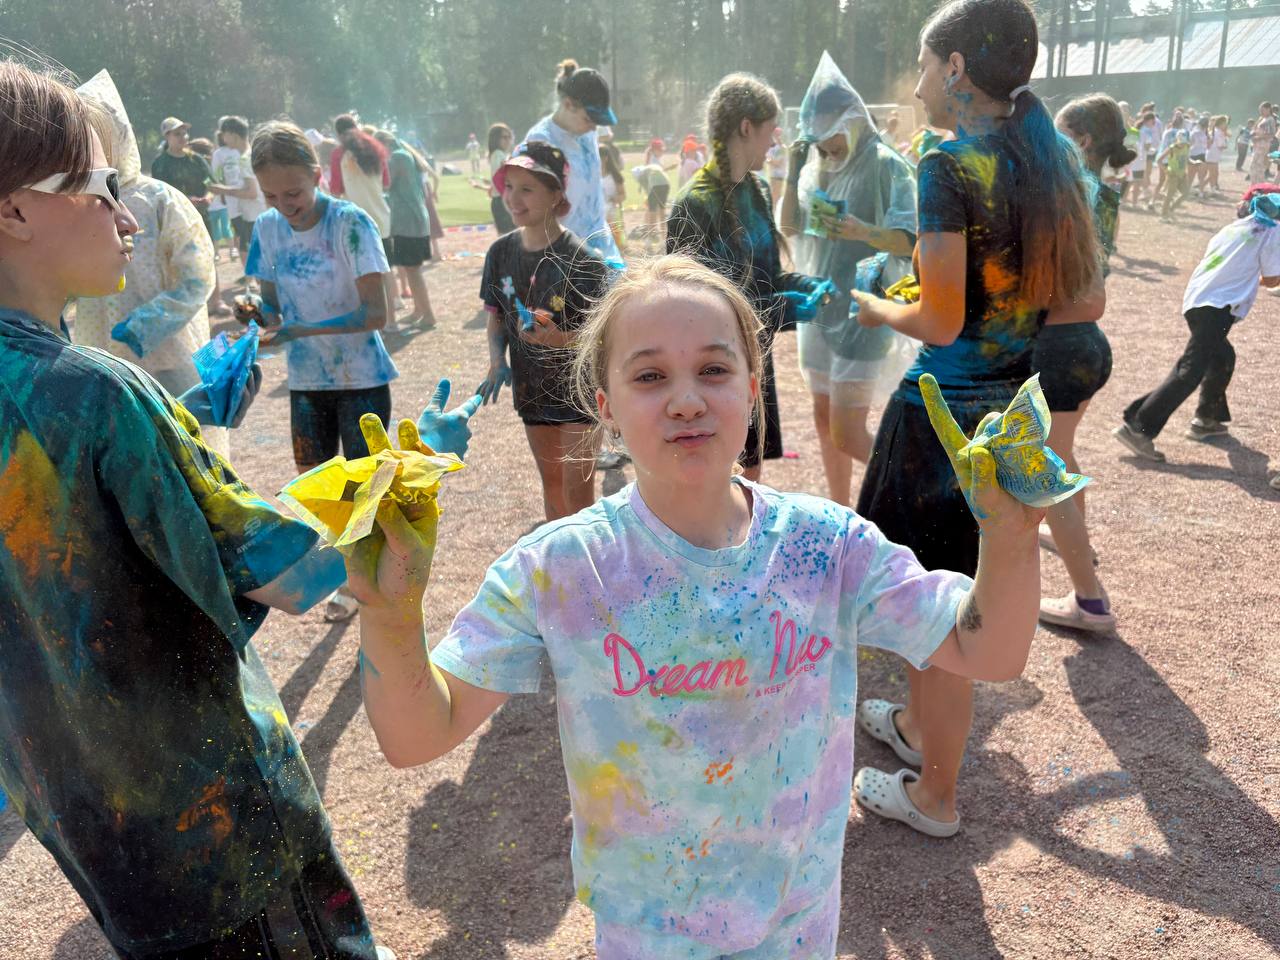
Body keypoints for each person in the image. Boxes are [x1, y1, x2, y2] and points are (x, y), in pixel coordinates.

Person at [346, 253, 1042, 960]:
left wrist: (1012, 537)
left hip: (797, 931)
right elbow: (416, 738)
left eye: (713, 369)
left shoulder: (826, 548)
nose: (686, 399)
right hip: (647, 939)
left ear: (752, 386)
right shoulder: (562, 568)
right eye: (650, 376)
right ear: (606, 405)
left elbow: (988, 651)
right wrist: (392, 613)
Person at [0, 58, 422, 960]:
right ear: (13, 209)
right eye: (91, 182)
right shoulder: (99, 395)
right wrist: (390, 480)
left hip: (74, 808)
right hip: (214, 822)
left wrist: (179, 441)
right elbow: (287, 572)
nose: (122, 210)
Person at [849, 0, 1100, 837]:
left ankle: (936, 797)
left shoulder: (946, 163)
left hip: (943, 426)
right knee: (950, 599)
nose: (918, 84)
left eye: (926, 65)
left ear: (955, 67)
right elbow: (1079, 299)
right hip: (1009, 418)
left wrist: (879, 307)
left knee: (938, 612)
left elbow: (943, 321)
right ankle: (920, 732)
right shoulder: (1049, 156)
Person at [244, 121, 398, 621]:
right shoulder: (266, 228)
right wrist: (254, 317)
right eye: (271, 195)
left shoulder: (350, 223)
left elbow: (378, 314)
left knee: (364, 487)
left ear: (317, 174)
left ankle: (362, 582)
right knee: (318, 487)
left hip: (361, 378)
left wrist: (298, 331)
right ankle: (347, 573)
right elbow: (270, 308)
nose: (284, 204)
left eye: (294, 192)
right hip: (307, 381)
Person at [666, 73, 830, 483]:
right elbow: (693, 314)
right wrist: (782, 308)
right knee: (715, 482)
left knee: (750, 481)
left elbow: (767, 276)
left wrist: (803, 286)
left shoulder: (756, 188)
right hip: (709, 374)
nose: (774, 144)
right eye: (770, 132)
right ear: (745, 128)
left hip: (754, 362)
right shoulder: (694, 204)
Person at [778, 51, 918, 505]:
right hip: (820, 306)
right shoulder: (815, 164)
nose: (828, 148)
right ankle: (843, 509)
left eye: (832, 137)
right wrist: (796, 166)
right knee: (824, 420)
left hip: (864, 309)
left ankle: (924, 488)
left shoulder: (885, 164)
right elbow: (792, 228)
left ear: (855, 119)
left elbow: (912, 239)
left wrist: (865, 232)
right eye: (818, 140)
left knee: (848, 430)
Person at [72, 70, 229, 458]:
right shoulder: (72, 200)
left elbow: (198, 277)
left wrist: (145, 325)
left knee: (188, 455)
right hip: (105, 359)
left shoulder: (161, 199)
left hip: (170, 356)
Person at [1034, 93, 1136, 633]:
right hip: (1088, 346)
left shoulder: (1066, 193)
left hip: (1062, 348)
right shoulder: (1108, 196)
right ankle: (1081, 549)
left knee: (1047, 474)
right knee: (1062, 459)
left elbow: (1078, 290)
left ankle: (1089, 601)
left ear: (1084, 139)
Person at [476, 140, 610, 521]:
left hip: (579, 392)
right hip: (531, 386)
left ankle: (587, 571)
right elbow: (497, 316)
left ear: (555, 195)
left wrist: (557, 340)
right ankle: (558, 569)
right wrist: (496, 361)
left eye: (527, 189)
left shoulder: (584, 261)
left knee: (577, 488)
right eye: (509, 187)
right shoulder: (499, 253)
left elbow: (605, 338)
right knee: (551, 484)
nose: (513, 198)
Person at [1114, 193, 1280, 462]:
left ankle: (1207, 418)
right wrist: (1255, 277)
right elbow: (1272, 279)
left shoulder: (1234, 228)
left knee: (1222, 357)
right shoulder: (1272, 233)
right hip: (1217, 309)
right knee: (1190, 371)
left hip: (1197, 302)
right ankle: (1138, 427)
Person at [525, 59, 622, 262]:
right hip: (563, 256)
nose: (594, 128)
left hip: (601, 247)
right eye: (589, 119)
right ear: (568, 104)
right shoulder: (541, 142)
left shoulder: (585, 131)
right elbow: (535, 211)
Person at [151, 115, 229, 317]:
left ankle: (216, 301)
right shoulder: (161, 164)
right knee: (181, 262)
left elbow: (210, 186)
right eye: (177, 133)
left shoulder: (197, 159)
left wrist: (209, 198)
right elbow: (159, 195)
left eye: (184, 132)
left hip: (201, 218)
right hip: (176, 221)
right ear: (167, 136)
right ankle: (191, 307)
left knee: (208, 256)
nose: (183, 136)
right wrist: (186, 200)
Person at [328, 114, 398, 315]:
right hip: (382, 216)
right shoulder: (376, 149)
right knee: (385, 269)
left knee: (360, 272)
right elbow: (386, 183)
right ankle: (391, 318)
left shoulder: (339, 155)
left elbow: (335, 190)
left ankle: (371, 316)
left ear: (338, 134)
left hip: (356, 221)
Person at [374, 129, 437, 329]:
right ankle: (419, 310)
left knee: (413, 270)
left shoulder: (398, 157)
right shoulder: (402, 155)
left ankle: (428, 315)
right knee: (411, 270)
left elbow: (386, 183)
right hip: (408, 220)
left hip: (409, 220)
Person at [208, 115, 267, 280]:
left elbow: (252, 193)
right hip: (255, 213)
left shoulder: (244, 159)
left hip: (255, 215)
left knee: (262, 259)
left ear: (233, 135)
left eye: (224, 134)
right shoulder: (249, 154)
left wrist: (223, 190)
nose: (223, 138)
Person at [197, 134, 236, 262]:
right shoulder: (202, 170)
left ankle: (232, 250)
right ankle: (216, 253)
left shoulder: (217, 165)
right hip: (211, 206)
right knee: (215, 231)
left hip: (222, 204)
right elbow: (207, 184)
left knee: (226, 229)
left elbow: (221, 181)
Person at [631, 138, 674, 252]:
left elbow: (650, 179)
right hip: (665, 185)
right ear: (654, 150)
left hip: (656, 186)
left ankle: (650, 241)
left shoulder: (652, 161)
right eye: (660, 149)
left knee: (653, 214)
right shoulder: (653, 161)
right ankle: (662, 241)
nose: (662, 151)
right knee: (660, 213)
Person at [474, 122, 516, 235]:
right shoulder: (498, 154)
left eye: (509, 137)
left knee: (508, 238)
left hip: (500, 201)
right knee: (510, 238)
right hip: (502, 202)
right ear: (496, 139)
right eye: (504, 137)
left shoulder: (499, 154)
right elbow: (499, 180)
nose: (508, 140)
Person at [599, 143, 627, 254]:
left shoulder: (614, 175)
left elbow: (623, 195)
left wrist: (614, 198)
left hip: (612, 212)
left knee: (617, 240)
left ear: (605, 158)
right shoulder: (592, 175)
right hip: (598, 213)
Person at [1158, 128, 1191, 222]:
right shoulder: (1172, 148)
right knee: (1169, 195)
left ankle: (1171, 210)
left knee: (1186, 193)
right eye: (1181, 142)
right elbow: (1159, 160)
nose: (1182, 144)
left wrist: (1194, 162)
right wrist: (1166, 171)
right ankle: (1163, 215)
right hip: (1173, 174)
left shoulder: (1187, 147)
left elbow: (1186, 159)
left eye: (1183, 142)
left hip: (1182, 174)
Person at [1249, 102, 1275, 184]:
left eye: (1262, 110)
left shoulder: (1270, 120)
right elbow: (1255, 129)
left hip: (1263, 144)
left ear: (1268, 109)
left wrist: (1258, 137)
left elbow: (1271, 134)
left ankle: (1258, 184)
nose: (1261, 112)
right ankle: (1256, 183)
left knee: (1257, 164)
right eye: (1260, 110)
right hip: (1258, 144)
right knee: (1255, 165)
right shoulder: (1262, 119)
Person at [765, 125, 788, 201]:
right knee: (772, 195)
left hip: (780, 175)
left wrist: (771, 161)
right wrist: (771, 161)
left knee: (776, 196)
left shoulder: (783, 148)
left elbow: (779, 162)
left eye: (778, 135)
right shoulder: (771, 147)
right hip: (773, 175)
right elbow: (767, 158)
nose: (777, 137)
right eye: (775, 135)